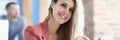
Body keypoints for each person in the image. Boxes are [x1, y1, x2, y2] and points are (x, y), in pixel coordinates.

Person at [24, 0, 89, 40]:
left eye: (71, 10)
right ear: (52, 4)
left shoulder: (70, 35)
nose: (66, 12)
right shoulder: (32, 31)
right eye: (63, 5)